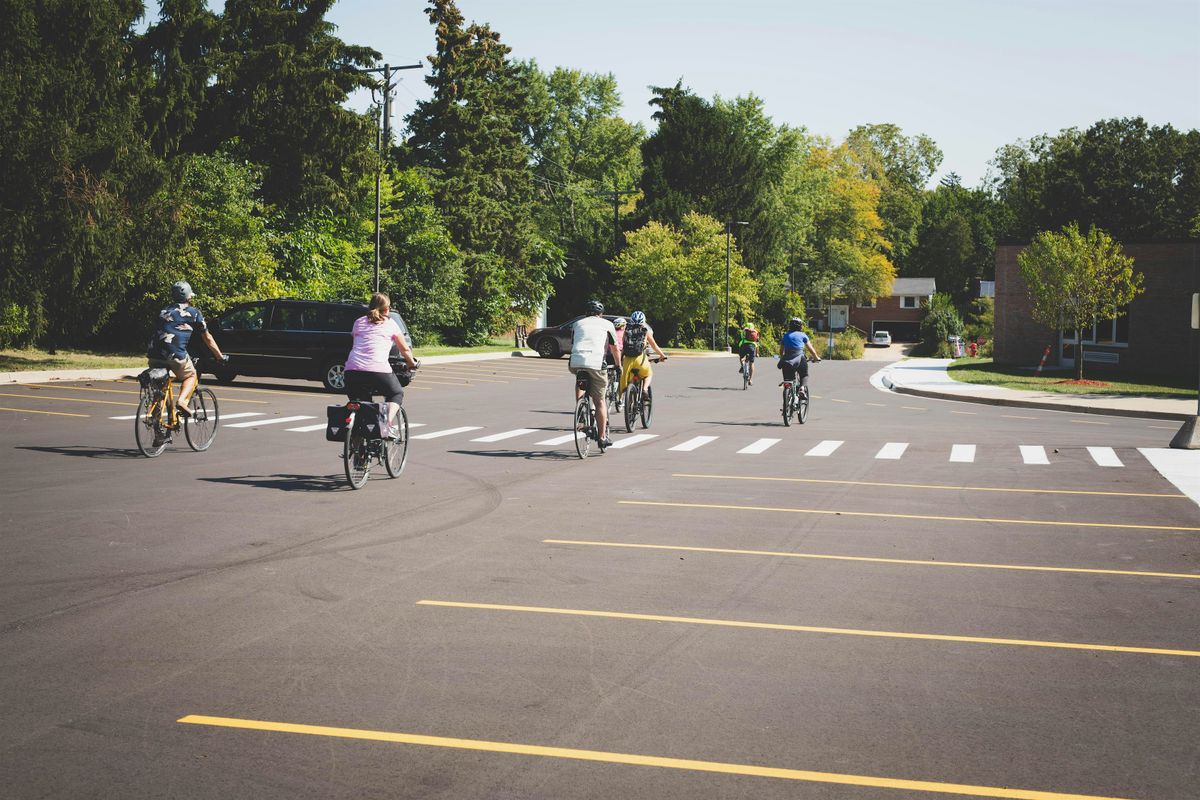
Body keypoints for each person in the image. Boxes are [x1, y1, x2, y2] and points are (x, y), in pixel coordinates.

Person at [147, 280, 227, 435]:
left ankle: (158, 433)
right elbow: (207, 338)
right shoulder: (194, 313)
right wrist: (220, 356)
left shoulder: (163, 310)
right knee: (191, 374)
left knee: (160, 391)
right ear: (189, 297)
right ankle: (182, 401)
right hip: (175, 354)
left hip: (154, 354)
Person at [344, 292, 418, 436]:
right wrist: (412, 364)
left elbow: (357, 344)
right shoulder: (390, 324)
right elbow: (404, 349)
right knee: (396, 393)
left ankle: (357, 449)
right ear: (386, 308)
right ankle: (386, 425)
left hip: (352, 370)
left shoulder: (358, 322)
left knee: (362, 407)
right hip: (377, 369)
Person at [569, 300, 620, 447]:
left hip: (576, 362)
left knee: (580, 378)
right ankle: (602, 437)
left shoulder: (577, 324)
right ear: (601, 314)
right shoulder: (607, 324)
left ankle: (580, 409)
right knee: (600, 401)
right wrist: (618, 365)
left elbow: (573, 342)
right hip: (596, 363)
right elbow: (614, 348)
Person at [619, 310, 668, 395]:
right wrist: (662, 355)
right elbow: (654, 346)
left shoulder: (626, 331)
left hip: (627, 360)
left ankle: (621, 399)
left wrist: (620, 359)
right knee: (648, 374)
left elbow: (623, 347)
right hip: (640, 359)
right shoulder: (645, 331)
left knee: (625, 380)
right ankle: (644, 389)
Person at [777, 317, 821, 393]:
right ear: (800, 326)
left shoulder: (786, 335)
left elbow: (781, 351)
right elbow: (811, 349)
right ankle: (802, 388)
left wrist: (782, 357)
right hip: (800, 358)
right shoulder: (803, 335)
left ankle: (788, 393)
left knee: (788, 380)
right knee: (804, 375)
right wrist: (816, 358)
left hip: (787, 359)